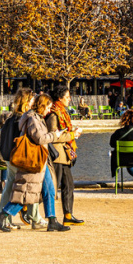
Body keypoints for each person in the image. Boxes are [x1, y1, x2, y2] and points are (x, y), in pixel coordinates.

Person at [0, 93, 73, 233]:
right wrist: (56, 135)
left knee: (49, 190)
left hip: (40, 159)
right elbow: (40, 138)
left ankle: (52, 220)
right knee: (28, 192)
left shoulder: (35, 117)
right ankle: (3, 215)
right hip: (34, 159)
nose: (49, 110)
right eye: (47, 107)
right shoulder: (32, 119)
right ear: (41, 106)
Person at [45, 86, 84, 226]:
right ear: (59, 98)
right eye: (67, 97)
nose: (69, 99)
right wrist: (73, 135)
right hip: (57, 155)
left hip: (65, 154)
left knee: (69, 186)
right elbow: (53, 136)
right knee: (52, 188)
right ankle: (49, 217)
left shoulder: (62, 112)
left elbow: (62, 132)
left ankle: (68, 214)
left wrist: (72, 133)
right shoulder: (54, 114)